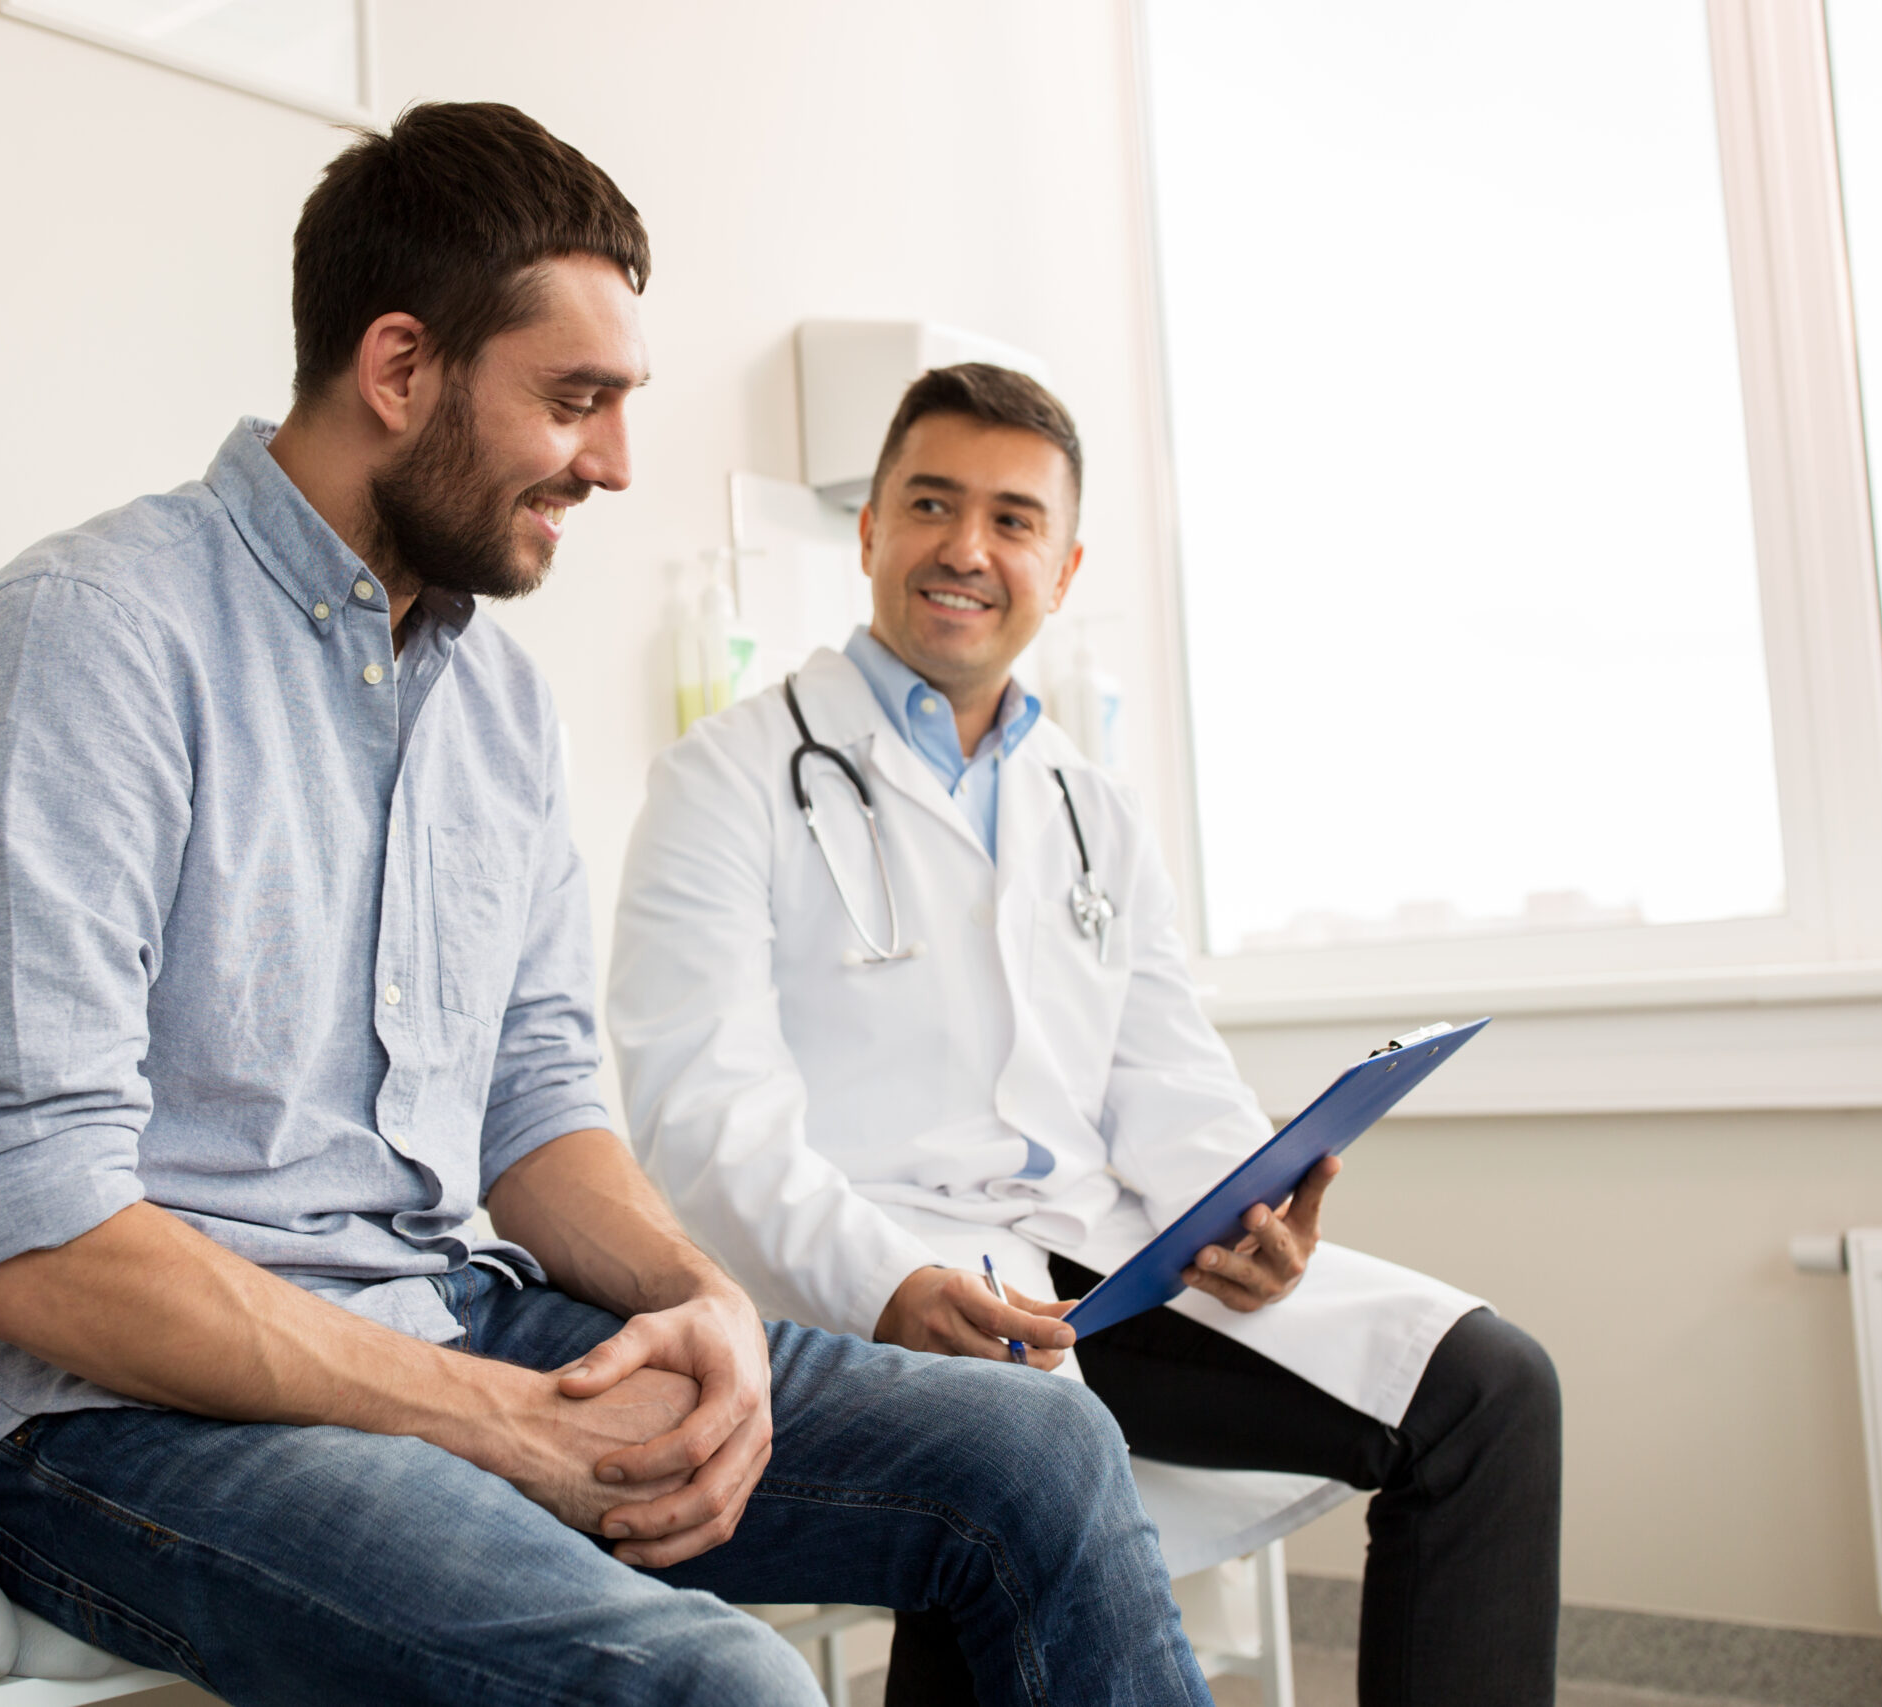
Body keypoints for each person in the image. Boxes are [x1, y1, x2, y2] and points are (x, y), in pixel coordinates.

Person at [0, 106, 1212, 1707]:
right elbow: (36, 1248)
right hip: (119, 1419)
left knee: (1039, 1447)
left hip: (448, 1314)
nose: (617, 464)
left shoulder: (492, 704)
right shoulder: (86, 643)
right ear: (402, 368)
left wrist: (704, 1304)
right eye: (576, 402)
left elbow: (536, 1112)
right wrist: (491, 1419)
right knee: (724, 1687)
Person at [609, 363, 1564, 1707]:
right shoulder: (725, 783)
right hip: (865, 1282)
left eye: (1012, 520)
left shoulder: (1090, 809)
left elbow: (1165, 1074)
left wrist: (1250, 1204)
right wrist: (885, 1284)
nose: (967, 547)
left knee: (1487, 1389)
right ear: (871, 530)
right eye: (931, 504)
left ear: (1061, 569)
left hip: (1102, 1270)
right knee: (1013, 1465)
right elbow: (700, 1118)